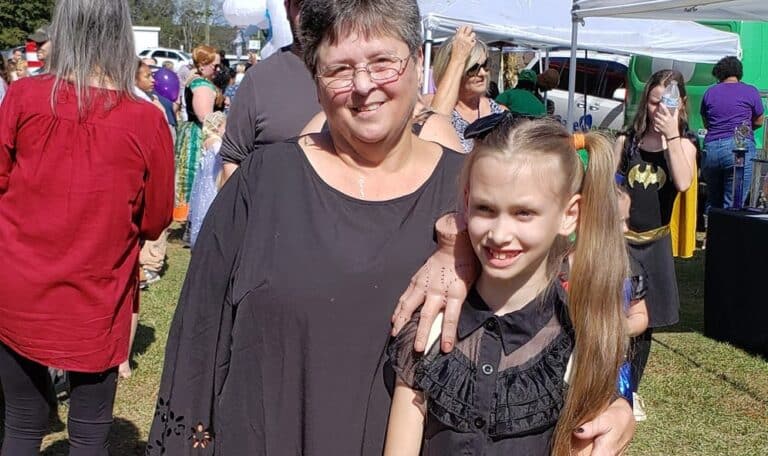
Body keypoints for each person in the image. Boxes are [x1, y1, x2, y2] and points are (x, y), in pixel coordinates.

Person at [147, 0, 635, 454]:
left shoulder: (473, 198)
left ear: (419, 62)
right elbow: (197, 344)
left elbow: (553, 314)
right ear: (315, 79)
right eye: (339, 69)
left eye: (383, 62)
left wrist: (614, 403)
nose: (363, 85)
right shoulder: (263, 184)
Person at [385, 117, 630, 455]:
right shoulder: (431, 326)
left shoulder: (579, 342)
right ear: (467, 201)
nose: (499, 234)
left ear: (570, 214)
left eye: (523, 213)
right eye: (485, 208)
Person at [0, 0, 174, 454]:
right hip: (96, 292)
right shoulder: (146, 120)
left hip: (19, 286)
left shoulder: (22, 96)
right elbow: (155, 219)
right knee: (89, 434)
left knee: (21, 424)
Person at [613, 69, 697, 417]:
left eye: (668, 103)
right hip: (621, 242)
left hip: (655, 244)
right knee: (615, 314)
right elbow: (610, 186)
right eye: (653, 102)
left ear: (681, 105)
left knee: (643, 323)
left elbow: (683, 182)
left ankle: (630, 392)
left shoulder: (685, 145)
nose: (660, 110)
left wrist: (672, 135)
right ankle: (606, 385)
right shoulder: (626, 141)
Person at [219, 0, 320, 183]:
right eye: (300, 4)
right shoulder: (259, 79)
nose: (310, 12)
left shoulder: (360, 76)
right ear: (287, 7)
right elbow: (232, 163)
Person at [427, 26, 506, 153]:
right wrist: (458, 58)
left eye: (485, 65)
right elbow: (435, 127)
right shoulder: (428, 106)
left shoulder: (500, 112)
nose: (482, 73)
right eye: (473, 68)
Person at [701, 55, 764, 210]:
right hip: (739, 150)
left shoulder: (710, 92)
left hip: (712, 149)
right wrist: (743, 131)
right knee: (733, 205)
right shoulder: (750, 91)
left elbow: (707, 123)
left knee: (713, 200)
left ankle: (710, 223)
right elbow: (759, 121)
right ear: (739, 72)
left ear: (719, 74)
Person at [174, 45, 221, 222]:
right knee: (201, 176)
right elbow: (205, 117)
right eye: (215, 66)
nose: (218, 70)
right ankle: (196, 217)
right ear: (202, 65)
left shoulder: (194, 80)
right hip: (201, 134)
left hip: (192, 130)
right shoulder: (201, 85)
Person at [189, 111, 226, 248]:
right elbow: (223, 159)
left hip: (204, 182)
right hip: (213, 181)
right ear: (217, 127)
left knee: (201, 208)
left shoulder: (207, 141)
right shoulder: (217, 143)